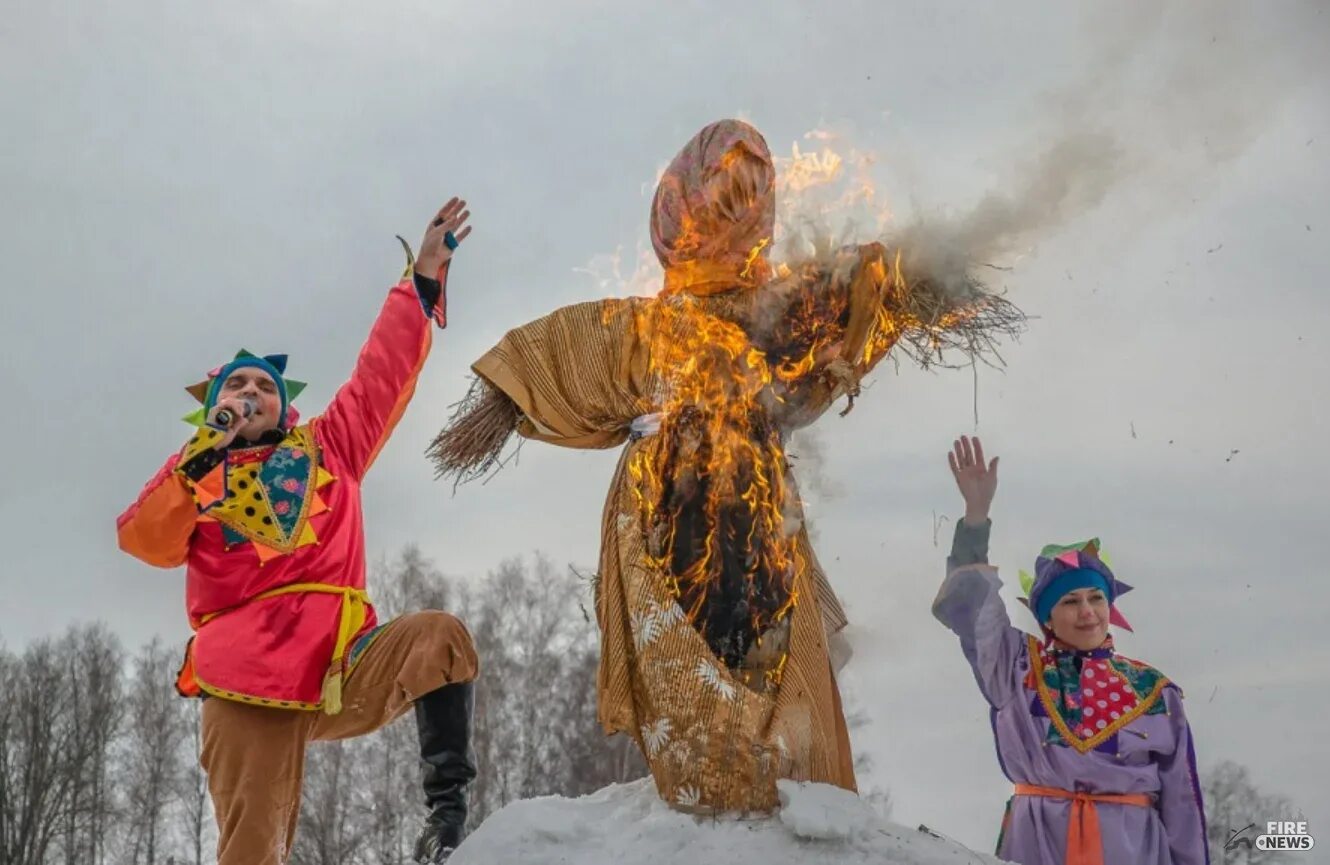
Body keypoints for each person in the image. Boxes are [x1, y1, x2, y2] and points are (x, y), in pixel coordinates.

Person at [427, 120, 1018, 813]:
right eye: (720, 195)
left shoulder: (787, 304)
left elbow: (873, 292)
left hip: (759, 505)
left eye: (749, 196)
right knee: (688, 660)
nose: (734, 214)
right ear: (679, 207)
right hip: (664, 504)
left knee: (762, 645)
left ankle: (773, 801)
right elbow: (551, 354)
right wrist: (494, 405)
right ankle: (706, 809)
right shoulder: (641, 325)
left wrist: (926, 280)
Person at [116, 199, 479, 865]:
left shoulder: (329, 446)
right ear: (218, 404)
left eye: (266, 385)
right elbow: (146, 540)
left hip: (341, 661)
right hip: (243, 676)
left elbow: (380, 375)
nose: (253, 390)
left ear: (287, 404)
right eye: (239, 385)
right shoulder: (197, 472)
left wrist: (420, 281)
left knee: (440, 639)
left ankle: (447, 824)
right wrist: (200, 458)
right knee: (254, 846)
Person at [933, 435, 1209, 865]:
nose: (1087, 612)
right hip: (1040, 842)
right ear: (1046, 617)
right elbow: (973, 607)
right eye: (1070, 601)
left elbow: (1182, 804)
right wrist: (976, 518)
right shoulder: (1018, 669)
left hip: (1133, 850)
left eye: (1095, 598)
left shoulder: (1156, 694)